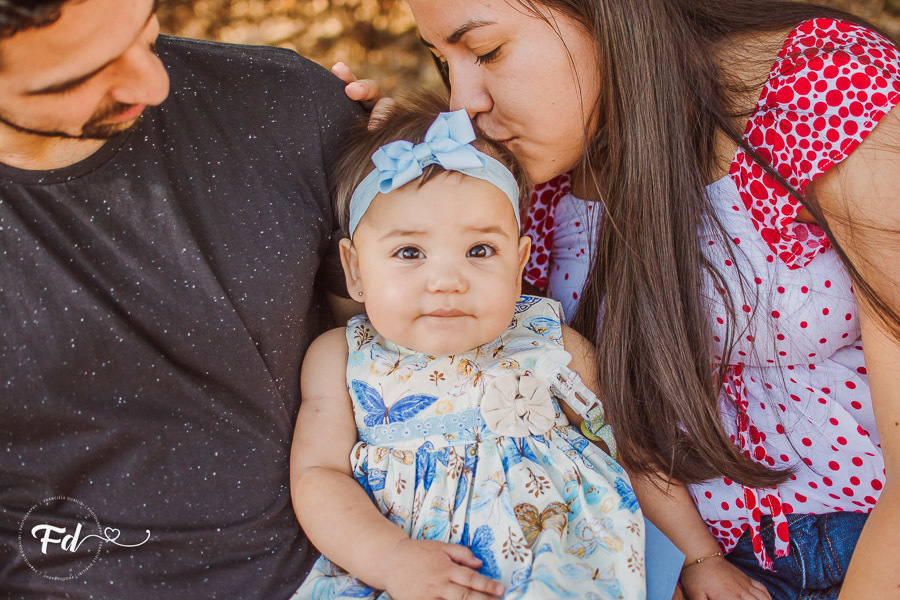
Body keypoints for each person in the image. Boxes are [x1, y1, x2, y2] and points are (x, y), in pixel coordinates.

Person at [335, 1, 900, 598]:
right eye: (444, 64)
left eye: (486, 51)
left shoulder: (822, 88)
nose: (463, 105)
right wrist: (384, 184)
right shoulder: (533, 177)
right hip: (655, 563)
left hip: (859, 546)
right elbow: (430, 354)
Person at [0, 0, 360, 597]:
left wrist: (428, 188)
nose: (154, 82)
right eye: (82, 75)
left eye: (145, 32)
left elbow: (415, 366)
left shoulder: (292, 105)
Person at [289, 96, 664, 600]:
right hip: (407, 574)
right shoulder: (341, 357)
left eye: (480, 251)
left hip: (563, 572)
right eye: (409, 252)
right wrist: (390, 559)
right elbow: (318, 476)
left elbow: (634, 454)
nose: (446, 280)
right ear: (355, 269)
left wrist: (697, 561)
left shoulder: (548, 341)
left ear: (518, 263)